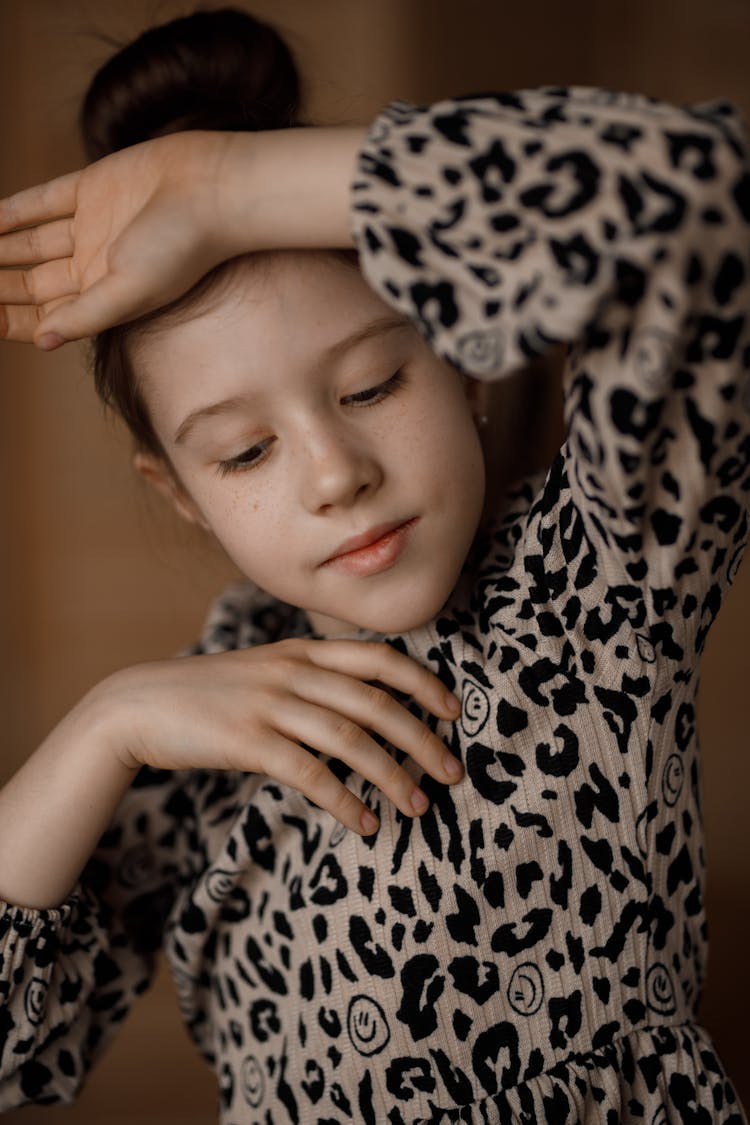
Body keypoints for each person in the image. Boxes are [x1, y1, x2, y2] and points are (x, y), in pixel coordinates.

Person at [0, 7, 748, 1122]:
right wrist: (104, 726)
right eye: (245, 451)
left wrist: (220, 191)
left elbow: (704, 199)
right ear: (183, 496)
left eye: (370, 389)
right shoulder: (209, 722)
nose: (333, 473)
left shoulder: (597, 580)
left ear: (468, 366)